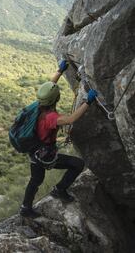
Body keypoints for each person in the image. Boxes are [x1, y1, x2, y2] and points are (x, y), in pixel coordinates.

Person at [19, 59, 98, 218]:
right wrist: (87, 102)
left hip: (34, 151)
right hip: (44, 153)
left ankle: (25, 208)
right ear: (56, 99)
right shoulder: (51, 117)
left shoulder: (37, 106)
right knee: (77, 164)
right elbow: (70, 119)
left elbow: (48, 87)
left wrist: (60, 71)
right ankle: (60, 190)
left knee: (36, 180)